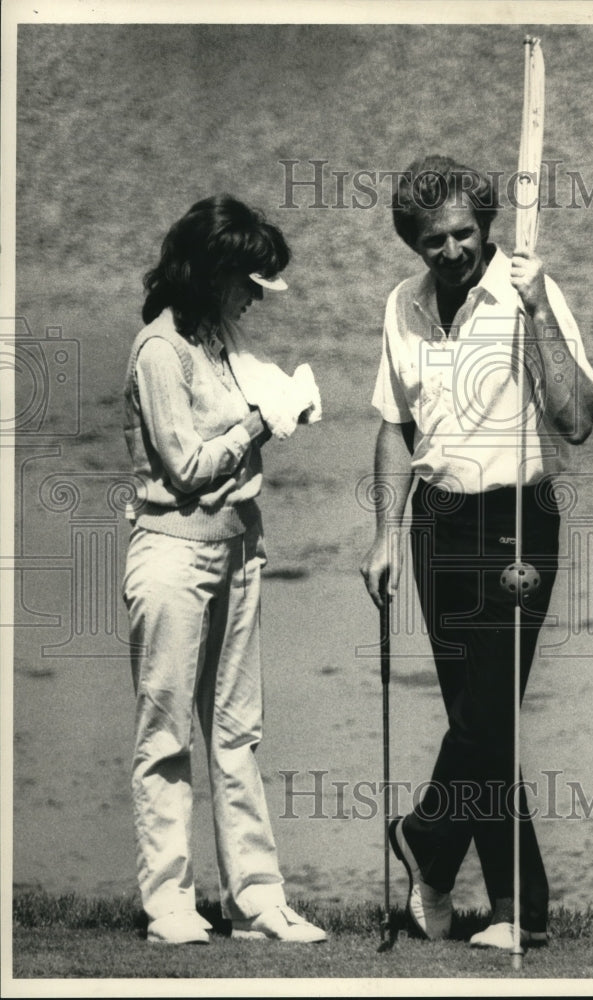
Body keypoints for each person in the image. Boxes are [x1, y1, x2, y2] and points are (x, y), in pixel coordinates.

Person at [360, 155, 593, 950]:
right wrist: (385, 535)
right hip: (436, 524)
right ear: (414, 242)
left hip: (517, 523)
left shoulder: (530, 290)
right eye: (436, 239)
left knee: (487, 711)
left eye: (466, 233)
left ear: (487, 227)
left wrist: (534, 314)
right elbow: (395, 425)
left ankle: (425, 840)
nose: (454, 250)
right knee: (482, 722)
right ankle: (516, 911)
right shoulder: (404, 305)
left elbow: (577, 418)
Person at [122, 194, 325, 946]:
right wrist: (256, 423)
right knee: (167, 734)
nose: (254, 298)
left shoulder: (219, 337)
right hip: (173, 554)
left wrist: (284, 409)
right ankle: (169, 904)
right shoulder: (158, 351)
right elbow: (184, 467)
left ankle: (257, 901)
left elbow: (236, 449)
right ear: (211, 274)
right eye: (247, 281)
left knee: (238, 734)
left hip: (240, 551)